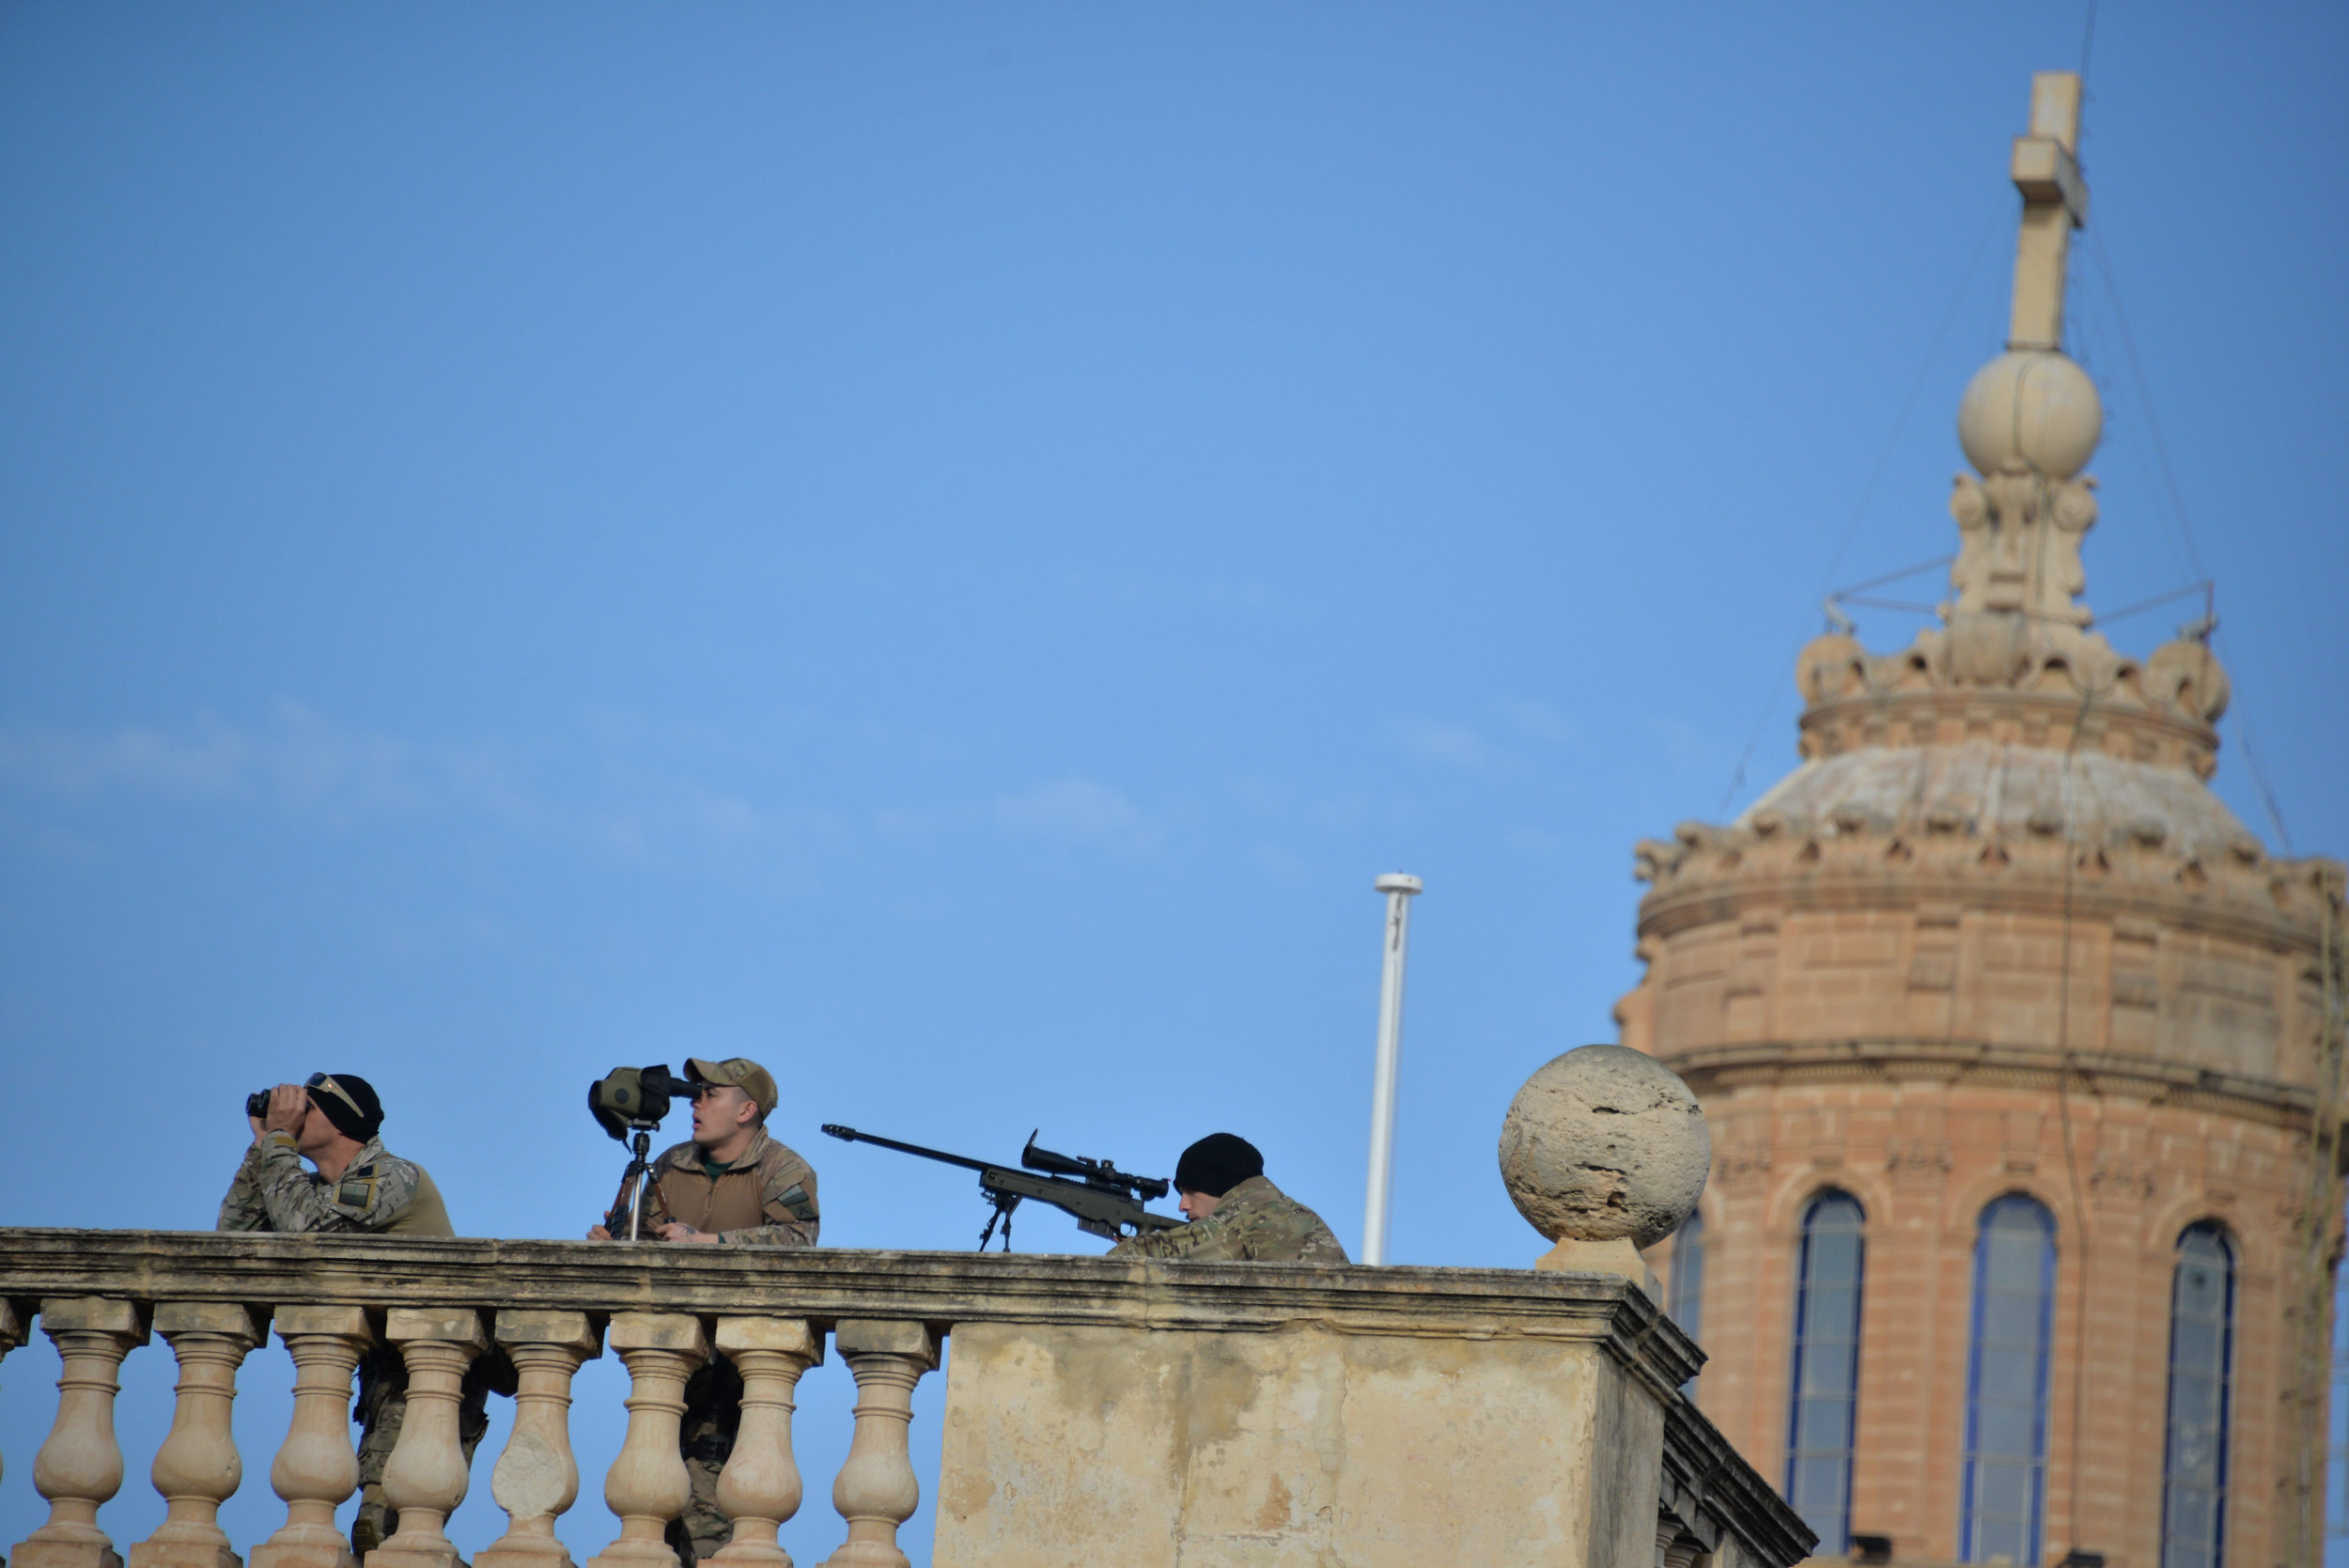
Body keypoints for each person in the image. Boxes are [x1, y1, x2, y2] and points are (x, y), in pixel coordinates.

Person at [216, 1074, 507, 1555]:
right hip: (385, 1378)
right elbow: (234, 1235)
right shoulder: (308, 1189)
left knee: (388, 1534)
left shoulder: (394, 1176)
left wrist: (280, 1143)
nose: (290, 1115)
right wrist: (264, 1146)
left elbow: (305, 1233)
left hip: (431, 1374)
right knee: (376, 1538)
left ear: (340, 1120)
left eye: (303, 1109)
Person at [587, 1057, 820, 1568]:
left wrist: (708, 1242)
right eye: (696, 1094)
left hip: (739, 1366)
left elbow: (798, 1241)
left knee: (710, 1505)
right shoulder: (667, 1163)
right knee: (654, 1500)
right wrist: (613, 1244)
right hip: (672, 1359)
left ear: (747, 1110)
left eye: (710, 1094)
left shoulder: (783, 1168)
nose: (694, 1104)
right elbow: (639, 1235)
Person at [1108, 1132, 1349, 1265]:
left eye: (1191, 1191)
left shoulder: (1241, 1221)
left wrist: (1130, 1245)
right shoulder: (1299, 1214)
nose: (1183, 1205)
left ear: (1217, 1183)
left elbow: (1125, 1262)